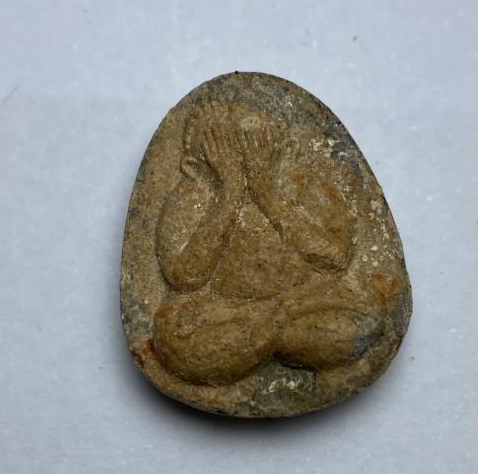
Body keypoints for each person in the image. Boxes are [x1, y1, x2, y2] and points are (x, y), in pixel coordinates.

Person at [153, 106, 382, 385]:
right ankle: (272, 332)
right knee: (174, 340)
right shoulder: (191, 196)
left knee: (360, 320)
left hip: (304, 301)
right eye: (223, 154)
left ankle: (268, 334)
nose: (242, 163)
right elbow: (184, 278)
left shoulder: (304, 184)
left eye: (255, 147)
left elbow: (335, 258)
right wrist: (229, 192)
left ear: (287, 151)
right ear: (194, 167)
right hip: (223, 314)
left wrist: (267, 191)